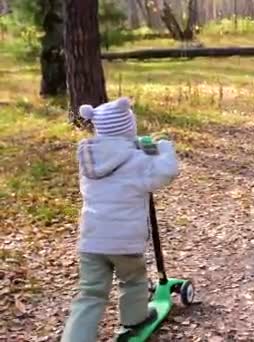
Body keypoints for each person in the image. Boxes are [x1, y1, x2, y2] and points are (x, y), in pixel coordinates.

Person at [61, 97, 179, 342]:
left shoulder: (89, 158)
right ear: (129, 128)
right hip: (124, 242)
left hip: (91, 241)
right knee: (133, 280)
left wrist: (133, 145)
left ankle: (75, 338)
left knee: (90, 293)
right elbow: (166, 172)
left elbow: (113, 153)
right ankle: (134, 318)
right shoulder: (137, 161)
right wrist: (164, 148)